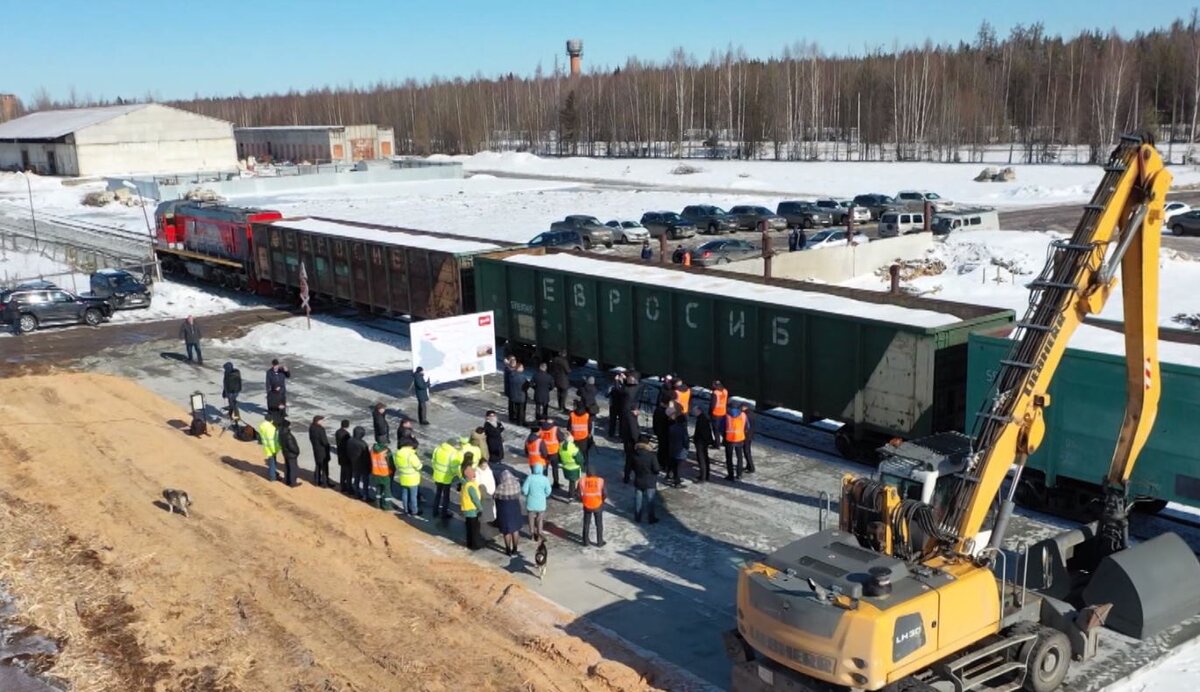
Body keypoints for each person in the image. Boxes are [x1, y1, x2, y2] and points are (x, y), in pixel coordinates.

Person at [431, 437, 462, 525]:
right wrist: (456, 475)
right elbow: (453, 468)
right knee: (445, 497)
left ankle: (435, 511)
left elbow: (433, 461)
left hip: (437, 476)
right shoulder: (453, 453)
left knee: (437, 494)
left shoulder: (437, 449)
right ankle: (444, 513)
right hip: (446, 478)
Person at [493, 467, 524, 556]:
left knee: (507, 532)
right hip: (515, 511)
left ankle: (507, 549)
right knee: (515, 530)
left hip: (504, 512)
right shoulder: (516, 485)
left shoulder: (500, 488)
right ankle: (515, 548)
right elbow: (519, 494)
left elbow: (495, 497)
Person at [632, 435, 660, 523]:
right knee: (650, 500)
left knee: (638, 499)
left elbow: (631, 467)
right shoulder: (651, 456)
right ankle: (651, 518)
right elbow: (656, 469)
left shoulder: (634, 455)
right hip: (650, 481)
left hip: (638, 480)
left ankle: (638, 517)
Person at [521, 464, 552, 542]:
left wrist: (527, 495)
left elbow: (524, 490)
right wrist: (544, 495)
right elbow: (548, 491)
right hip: (541, 502)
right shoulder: (545, 479)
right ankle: (539, 533)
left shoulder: (530, 478)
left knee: (531, 518)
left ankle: (531, 533)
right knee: (540, 518)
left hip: (531, 502)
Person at [620, 375, 642, 484]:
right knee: (632, 462)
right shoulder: (631, 418)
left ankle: (626, 477)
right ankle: (629, 477)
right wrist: (637, 441)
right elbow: (634, 432)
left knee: (628, 462)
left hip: (626, 440)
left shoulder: (625, 415)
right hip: (631, 443)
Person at [393, 438, 423, 515]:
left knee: (405, 494)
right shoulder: (411, 455)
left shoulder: (397, 454)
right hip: (412, 479)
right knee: (413, 496)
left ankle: (406, 509)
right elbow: (419, 466)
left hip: (403, 477)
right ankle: (414, 510)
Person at [579, 465, 607, 547]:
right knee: (599, 524)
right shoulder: (600, 481)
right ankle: (600, 542)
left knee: (586, 524)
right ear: (595, 473)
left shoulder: (582, 481)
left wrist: (583, 500)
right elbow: (605, 493)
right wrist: (602, 500)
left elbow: (578, 494)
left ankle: (585, 541)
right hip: (597, 505)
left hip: (587, 505)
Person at [460, 462, 484, 551]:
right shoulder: (470, 486)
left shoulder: (465, 483)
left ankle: (469, 543)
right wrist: (480, 508)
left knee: (469, 528)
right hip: (472, 510)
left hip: (467, 509)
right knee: (474, 529)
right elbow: (475, 499)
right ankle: (474, 545)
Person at [538, 418, 566, 491]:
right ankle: (556, 483)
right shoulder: (555, 429)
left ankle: (543, 483)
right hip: (554, 452)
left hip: (544, 452)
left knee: (545, 468)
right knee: (555, 468)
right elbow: (562, 438)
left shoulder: (541, 429)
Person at [724, 403, 749, 481]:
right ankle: (739, 475)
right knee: (739, 457)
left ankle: (730, 475)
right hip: (740, 438)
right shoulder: (743, 415)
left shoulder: (726, 416)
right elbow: (747, 426)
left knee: (729, 458)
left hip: (729, 439)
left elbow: (721, 427)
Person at [666, 407, 689, 487]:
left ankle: (669, 476)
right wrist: (687, 447)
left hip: (672, 449)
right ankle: (677, 481)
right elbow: (685, 440)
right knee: (678, 467)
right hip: (680, 451)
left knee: (672, 464)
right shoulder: (683, 429)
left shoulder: (671, 428)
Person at [344, 426, 369, 498]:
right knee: (365, 481)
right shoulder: (363, 444)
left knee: (356, 479)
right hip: (363, 465)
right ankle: (365, 495)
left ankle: (357, 493)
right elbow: (366, 456)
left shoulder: (350, 440)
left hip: (354, 463)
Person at [691, 406, 714, 482]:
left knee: (702, 459)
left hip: (701, 442)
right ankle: (706, 475)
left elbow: (701, 432)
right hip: (704, 441)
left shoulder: (701, 419)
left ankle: (703, 477)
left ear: (698, 411)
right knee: (705, 458)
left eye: (695, 412)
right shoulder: (704, 418)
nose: (694, 413)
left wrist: (696, 439)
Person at [368, 441, 393, 509]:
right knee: (386, 491)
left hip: (375, 472)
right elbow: (390, 463)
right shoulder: (386, 451)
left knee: (378, 489)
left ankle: (377, 504)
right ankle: (387, 506)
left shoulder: (372, 450)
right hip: (385, 473)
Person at [309, 415, 332, 488]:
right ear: (318, 421)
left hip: (315, 449)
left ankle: (317, 481)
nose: (324, 422)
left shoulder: (311, 428)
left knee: (318, 465)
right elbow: (324, 441)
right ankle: (325, 483)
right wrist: (328, 447)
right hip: (322, 450)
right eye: (322, 420)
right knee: (324, 467)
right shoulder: (321, 429)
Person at [568, 400, 593, 465]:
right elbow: (590, 426)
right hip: (584, 437)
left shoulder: (572, 414)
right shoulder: (587, 415)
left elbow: (568, 426)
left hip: (574, 436)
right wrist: (589, 433)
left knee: (574, 452)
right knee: (584, 452)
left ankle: (575, 464)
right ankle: (585, 465)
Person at [257, 414, 280, 483]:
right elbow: (271, 440)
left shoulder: (262, 426)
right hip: (271, 448)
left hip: (266, 447)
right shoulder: (271, 428)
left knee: (272, 461)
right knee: (272, 462)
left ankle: (274, 474)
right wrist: (274, 450)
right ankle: (273, 477)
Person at [279, 418, 301, 487]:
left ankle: (287, 481)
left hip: (285, 453)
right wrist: (297, 451)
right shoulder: (288, 435)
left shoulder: (281, 433)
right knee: (293, 468)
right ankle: (293, 483)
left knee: (287, 467)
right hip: (291, 454)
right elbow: (291, 446)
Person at [559, 437, 582, 502]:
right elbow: (580, 459)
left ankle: (572, 493)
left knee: (572, 481)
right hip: (574, 467)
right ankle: (571, 496)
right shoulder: (574, 449)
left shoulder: (561, 447)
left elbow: (560, 458)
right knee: (573, 481)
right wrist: (581, 464)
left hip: (566, 467)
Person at [476, 457, 496, 526]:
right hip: (482, 493)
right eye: (483, 465)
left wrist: (493, 489)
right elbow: (477, 483)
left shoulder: (489, 471)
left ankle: (490, 519)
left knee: (491, 507)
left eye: (486, 465)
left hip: (490, 491)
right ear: (480, 465)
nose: (485, 467)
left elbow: (492, 480)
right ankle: (482, 519)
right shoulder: (477, 472)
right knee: (483, 507)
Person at [335, 419, 352, 493]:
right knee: (348, 473)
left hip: (340, 454)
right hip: (346, 456)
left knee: (343, 472)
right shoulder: (346, 434)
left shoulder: (338, 432)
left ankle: (342, 486)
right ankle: (349, 488)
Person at [607, 371, 626, 438]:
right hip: (615, 405)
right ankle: (611, 434)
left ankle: (619, 434)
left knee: (620, 421)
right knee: (613, 420)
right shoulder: (614, 385)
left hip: (619, 405)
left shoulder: (623, 385)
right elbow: (607, 394)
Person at [743, 406, 757, 474]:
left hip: (746, 436)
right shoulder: (752, 414)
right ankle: (748, 466)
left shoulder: (745, 416)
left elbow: (745, 426)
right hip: (750, 435)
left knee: (746, 451)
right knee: (748, 451)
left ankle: (751, 467)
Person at [502, 356, 516, 421]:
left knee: (512, 403)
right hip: (511, 389)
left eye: (514, 360)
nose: (514, 361)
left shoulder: (509, 368)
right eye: (512, 360)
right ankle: (512, 416)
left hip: (510, 389)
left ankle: (512, 414)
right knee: (511, 404)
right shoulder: (509, 370)